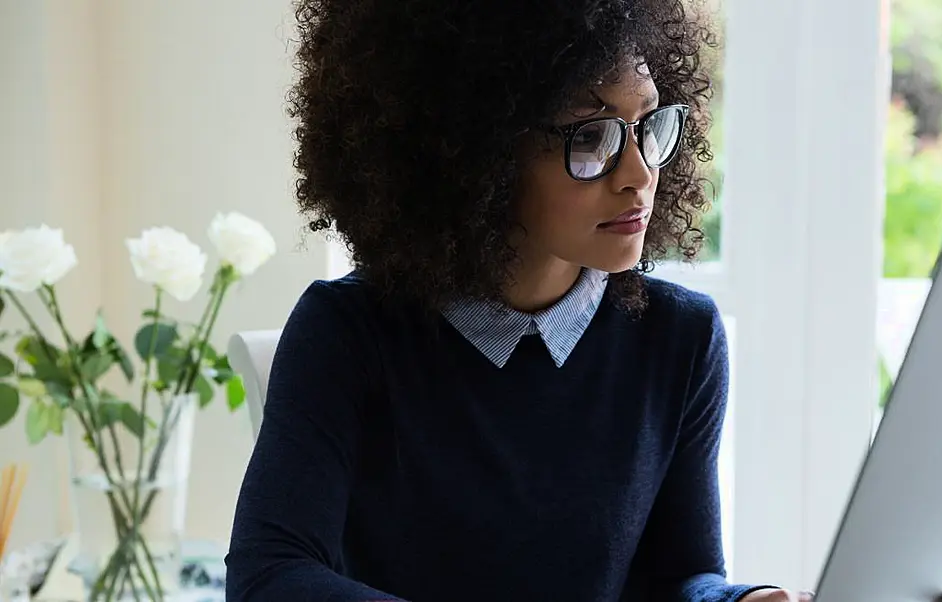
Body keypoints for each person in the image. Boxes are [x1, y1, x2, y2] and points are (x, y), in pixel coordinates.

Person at [224, 0, 813, 600]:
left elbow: (680, 576)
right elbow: (270, 574)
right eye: (592, 137)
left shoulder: (680, 337)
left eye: (650, 127)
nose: (637, 173)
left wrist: (737, 599)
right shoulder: (348, 333)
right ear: (478, 149)